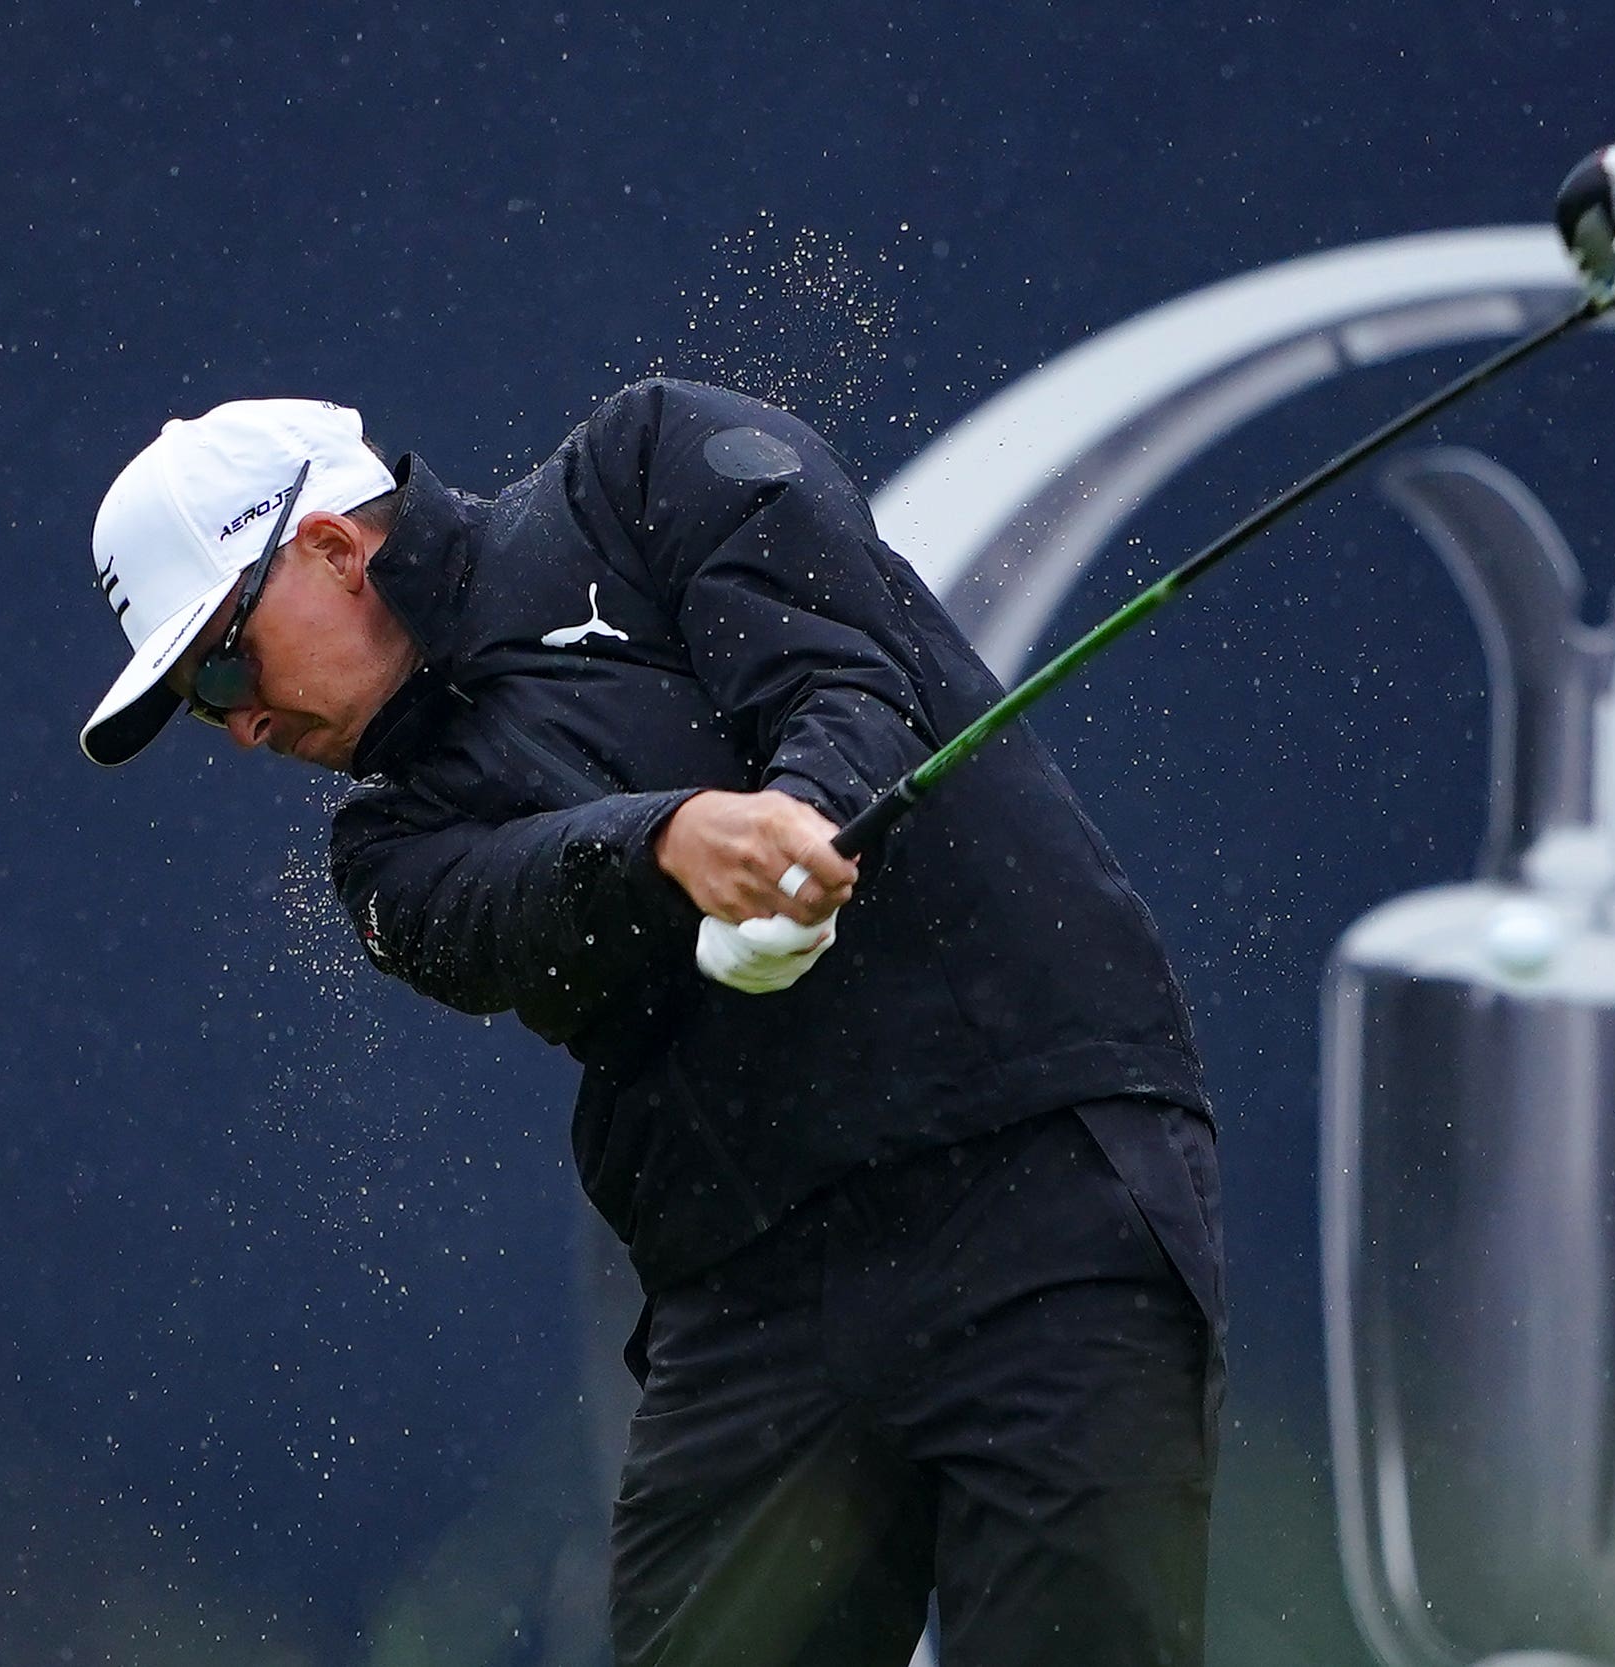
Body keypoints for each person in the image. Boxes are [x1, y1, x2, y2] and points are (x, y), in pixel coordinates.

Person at [76, 383, 1223, 1666]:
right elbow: (507, 912)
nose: (236, 724)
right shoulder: (387, 850)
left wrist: (801, 811)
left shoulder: (641, 467)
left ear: (336, 548)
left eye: (223, 662)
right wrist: (677, 843)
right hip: (754, 1295)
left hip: (1038, 1167)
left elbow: (848, 672)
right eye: (193, 702)